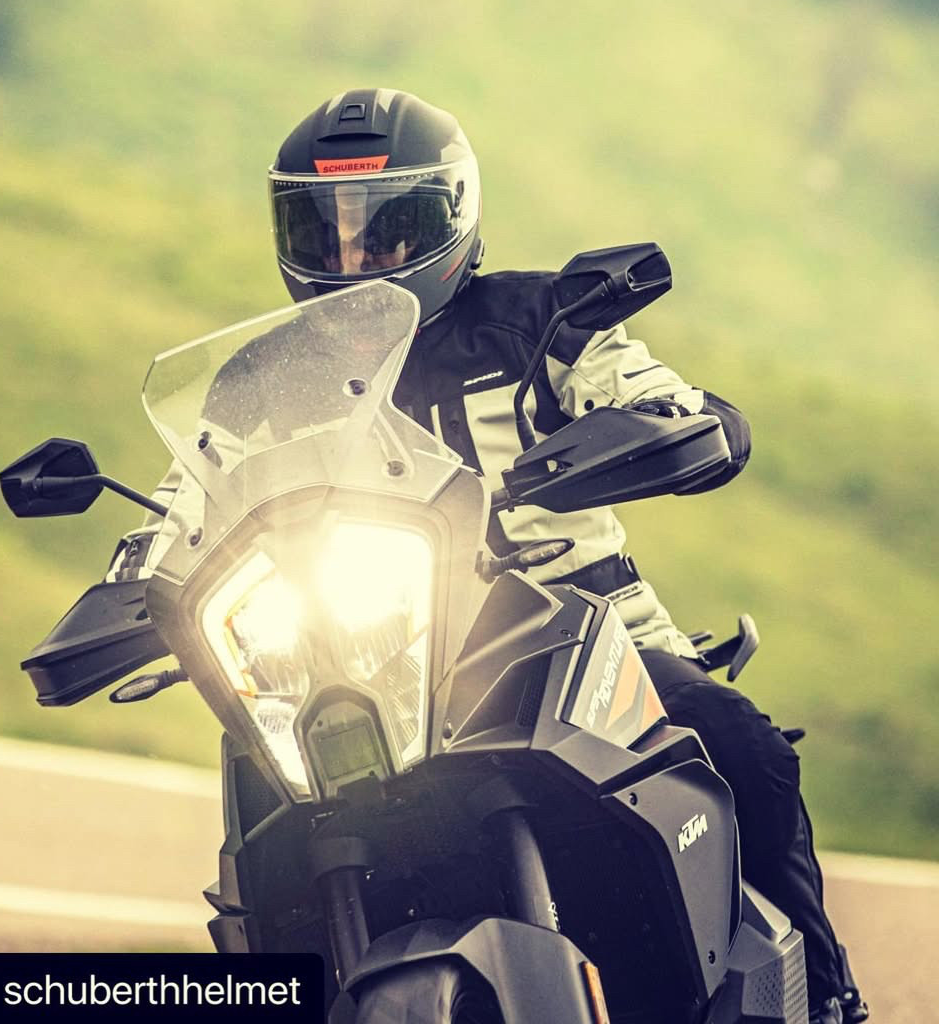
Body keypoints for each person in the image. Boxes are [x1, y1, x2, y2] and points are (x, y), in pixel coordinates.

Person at [116, 88, 868, 1024]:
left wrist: (666, 424)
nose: (353, 257)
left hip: (581, 636)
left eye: (385, 230)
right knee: (259, 816)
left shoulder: (544, 321)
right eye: (325, 231)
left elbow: (665, 400)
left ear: (451, 216)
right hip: (361, 666)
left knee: (741, 743)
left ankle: (826, 996)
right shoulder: (260, 386)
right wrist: (131, 586)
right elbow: (185, 505)